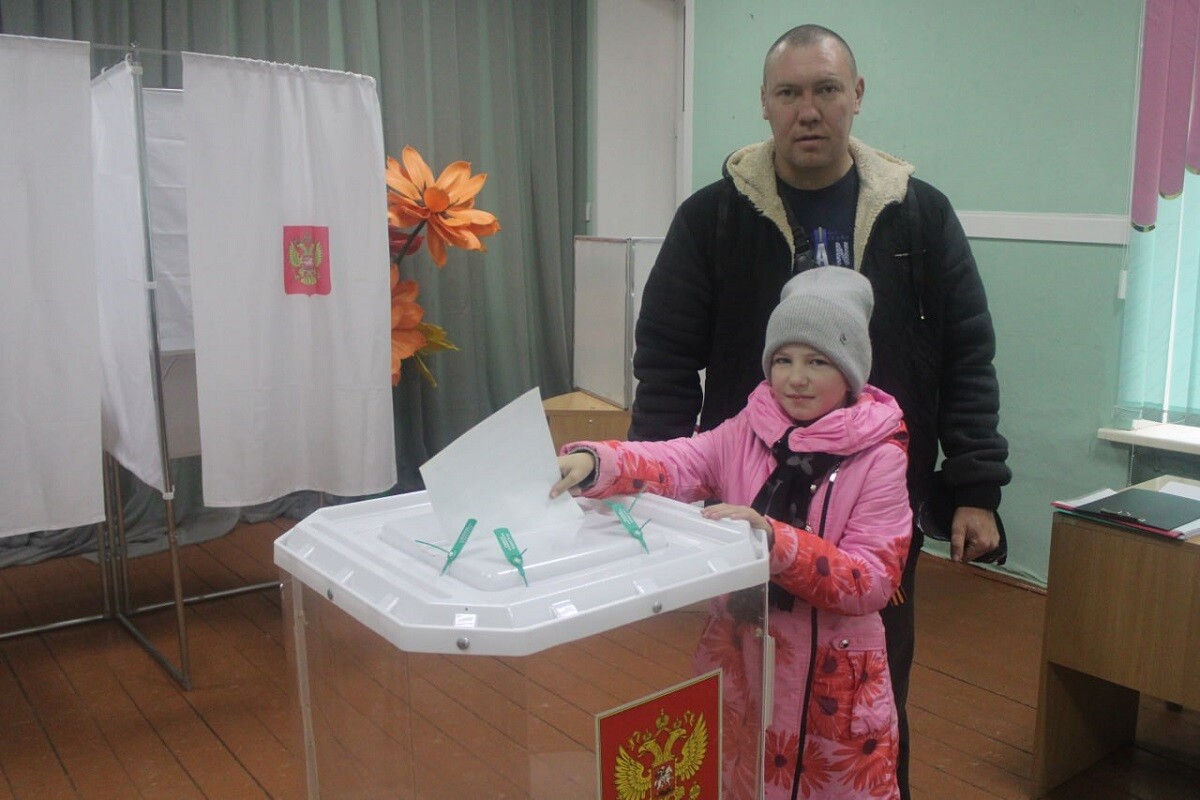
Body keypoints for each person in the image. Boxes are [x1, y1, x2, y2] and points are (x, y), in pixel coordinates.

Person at [627, 23, 1011, 799]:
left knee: (868, 696)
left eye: (827, 89)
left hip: (874, 515)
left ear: (856, 96)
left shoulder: (919, 216)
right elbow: (666, 358)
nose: (809, 109)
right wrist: (656, 495)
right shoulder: (712, 219)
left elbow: (966, 353)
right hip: (749, 512)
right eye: (790, 92)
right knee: (748, 689)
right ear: (765, 104)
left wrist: (974, 486)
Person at [553, 267, 911, 799]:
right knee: (740, 781)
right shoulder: (748, 430)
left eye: (817, 361)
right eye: (783, 360)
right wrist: (598, 462)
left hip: (833, 687)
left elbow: (873, 580)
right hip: (744, 661)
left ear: (851, 370)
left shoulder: (880, 457)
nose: (796, 378)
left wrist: (775, 542)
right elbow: (677, 461)